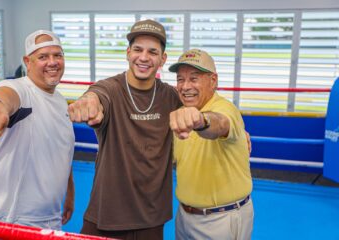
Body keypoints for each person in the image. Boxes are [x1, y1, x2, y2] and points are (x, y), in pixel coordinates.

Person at [68, 19, 182, 239]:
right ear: (128, 53)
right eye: (138, 49)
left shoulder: (170, 96)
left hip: (151, 217)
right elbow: (95, 96)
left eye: (153, 52)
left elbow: (204, 110)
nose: (144, 57)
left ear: (162, 59)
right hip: (107, 213)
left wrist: (233, 125)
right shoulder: (111, 88)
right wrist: (89, 103)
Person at [0, 30, 75, 231]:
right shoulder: (21, 89)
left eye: (58, 55)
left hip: (49, 216)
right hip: (7, 218)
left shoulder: (61, 101)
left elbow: (62, 150)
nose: (52, 62)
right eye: (43, 57)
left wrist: (69, 192)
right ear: (27, 62)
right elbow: (7, 95)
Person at [169, 49, 253, 240]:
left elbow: (220, 124)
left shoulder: (225, 108)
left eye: (194, 78)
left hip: (221, 219)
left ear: (213, 81)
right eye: (180, 79)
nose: (185, 86)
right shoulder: (182, 112)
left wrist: (200, 121)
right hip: (184, 216)